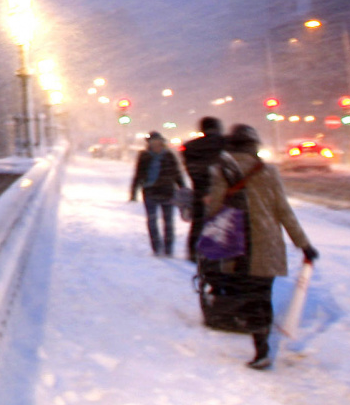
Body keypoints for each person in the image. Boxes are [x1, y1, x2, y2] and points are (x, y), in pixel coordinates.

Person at [204, 123, 319, 369]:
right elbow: (284, 212)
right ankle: (262, 345)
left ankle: (257, 340)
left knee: (247, 294)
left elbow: (213, 209)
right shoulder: (268, 172)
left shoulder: (221, 170)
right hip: (267, 245)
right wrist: (304, 245)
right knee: (262, 296)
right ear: (254, 146)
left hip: (238, 246)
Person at [129, 131, 186, 256]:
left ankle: (168, 248)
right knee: (152, 221)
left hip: (167, 192)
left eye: (157, 142)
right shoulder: (144, 156)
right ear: (148, 143)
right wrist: (134, 192)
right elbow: (139, 174)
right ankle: (157, 247)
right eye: (152, 142)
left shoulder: (168, 156)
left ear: (162, 142)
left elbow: (176, 173)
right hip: (151, 192)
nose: (155, 145)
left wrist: (183, 188)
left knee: (168, 221)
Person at [182, 115, 225, 260]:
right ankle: (219, 252)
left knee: (198, 222)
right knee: (224, 221)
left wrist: (201, 184)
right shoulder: (225, 143)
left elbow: (190, 169)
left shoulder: (190, 147)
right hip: (223, 190)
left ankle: (193, 251)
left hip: (200, 189)